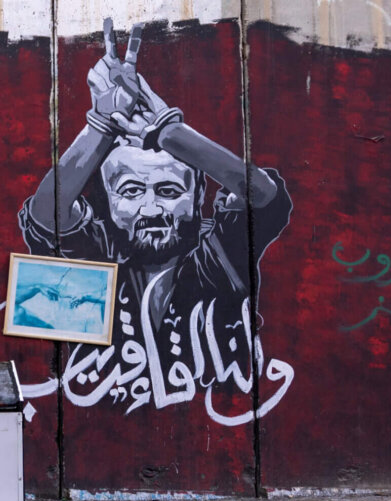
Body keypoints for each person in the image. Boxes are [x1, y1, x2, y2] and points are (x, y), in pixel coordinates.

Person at [20, 20, 293, 415]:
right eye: (130, 191)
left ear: (200, 195)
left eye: (169, 191)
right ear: (108, 201)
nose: (151, 210)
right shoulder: (99, 261)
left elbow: (264, 197)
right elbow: (46, 215)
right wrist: (101, 125)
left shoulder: (218, 260)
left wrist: (169, 133)